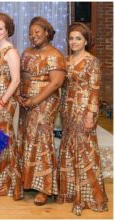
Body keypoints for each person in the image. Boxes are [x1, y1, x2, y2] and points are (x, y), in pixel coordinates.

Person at [57, 22, 108, 216]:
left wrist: (90, 114)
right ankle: (70, 193)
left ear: (86, 40)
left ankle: (87, 196)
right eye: (71, 38)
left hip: (84, 108)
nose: (74, 41)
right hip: (67, 110)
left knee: (85, 151)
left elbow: (95, 91)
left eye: (78, 38)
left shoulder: (92, 61)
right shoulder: (66, 60)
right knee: (69, 148)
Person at [17, 16, 65, 206]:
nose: (33, 35)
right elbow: (20, 76)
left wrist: (35, 100)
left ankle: (45, 188)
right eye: (31, 32)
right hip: (27, 103)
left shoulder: (55, 54)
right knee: (27, 140)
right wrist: (19, 96)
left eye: (38, 31)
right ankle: (28, 182)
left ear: (47, 32)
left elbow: (56, 83)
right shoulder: (27, 52)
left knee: (42, 141)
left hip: (45, 102)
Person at [0, 13, 22, 199]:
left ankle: (6, 184)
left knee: (2, 138)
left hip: (4, 101)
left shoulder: (10, 51)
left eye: (1, 28)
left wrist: (2, 102)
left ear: (8, 30)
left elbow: (15, 80)